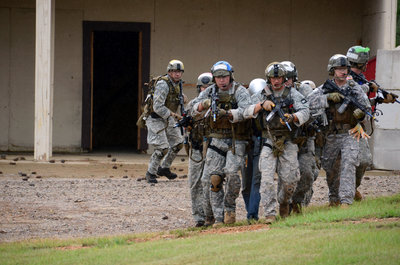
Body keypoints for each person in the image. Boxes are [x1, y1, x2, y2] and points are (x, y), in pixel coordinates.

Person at [243, 63, 309, 222]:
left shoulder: (292, 94)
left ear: (284, 78)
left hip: (288, 141)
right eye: (273, 78)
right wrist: (260, 105)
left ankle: (284, 202)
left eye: (279, 77)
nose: (276, 81)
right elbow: (245, 111)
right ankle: (270, 213)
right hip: (269, 141)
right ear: (269, 79)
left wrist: (293, 117)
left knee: (290, 181)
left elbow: (305, 111)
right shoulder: (262, 94)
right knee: (266, 181)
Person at [191, 61, 252, 226]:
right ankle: (218, 218)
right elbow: (191, 108)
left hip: (235, 140)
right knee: (214, 179)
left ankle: (229, 209)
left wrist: (229, 113)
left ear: (230, 76)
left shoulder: (240, 91)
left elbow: (247, 110)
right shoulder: (210, 91)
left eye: (224, 77)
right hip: (216, 140)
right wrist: (202, 104)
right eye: (218, 77)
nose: (222, 81)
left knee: (232, 175)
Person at [307, 54, 372, 207]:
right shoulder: (326, 88)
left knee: (349, 164)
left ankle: (346, 201)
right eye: (339, 69)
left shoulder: (354, 87)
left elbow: (367, 109)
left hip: (350, 133)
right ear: (332, 70)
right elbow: (308, 102)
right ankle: (334, 198)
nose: (343, 72)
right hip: (331, 134)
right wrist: (327, 98)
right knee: (330, 168)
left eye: (345, 69)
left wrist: (361, 114)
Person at [346, 45, 398, 201]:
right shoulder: (345, 77)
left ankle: (352, 188)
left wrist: (380, 99)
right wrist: (369, 87)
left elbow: (361, 102)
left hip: (357, 126)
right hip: (343, 127)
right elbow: (353, 92)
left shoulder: (361, 78)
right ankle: (343, 194)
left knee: (364, 160)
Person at [280, 61, 319, 213]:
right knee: (287, 175)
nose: (286, 81)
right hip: (284, 140)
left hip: (304, 138)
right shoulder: (274, 91)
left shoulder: (304, 90)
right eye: (283, 78)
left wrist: (297, 117)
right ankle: (284, 204)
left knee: (307, 173)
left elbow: (315, 111)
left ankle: (297, 203)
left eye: (288, 78)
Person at [145, 59, 185, 183]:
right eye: (174, 71)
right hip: (156, 118)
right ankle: (151, 172)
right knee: (163, 148)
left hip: (168, 118)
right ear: (169, 72)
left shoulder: (178, 84)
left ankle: (164, 168)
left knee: (178, 143)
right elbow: (157, 107)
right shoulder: (163, 84)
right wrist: (173, 115)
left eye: (179, 72)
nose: (177, 74)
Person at [185, 72, 213, 227]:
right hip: (196, 148)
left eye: (208, 87)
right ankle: (199, 217)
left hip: (213, 149)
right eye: (203, 87)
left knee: (211, 181)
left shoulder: (217, 104)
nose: (205, 90)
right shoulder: (192, 105)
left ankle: (213, 214)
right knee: (195, 183)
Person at [242, 78, 264, 221]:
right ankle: (250, 211)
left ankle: (252, 214)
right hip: (246, 145)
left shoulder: (270, 103)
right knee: (246, 184)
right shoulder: (245, 104)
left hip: (261, 145)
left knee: (256, 181)